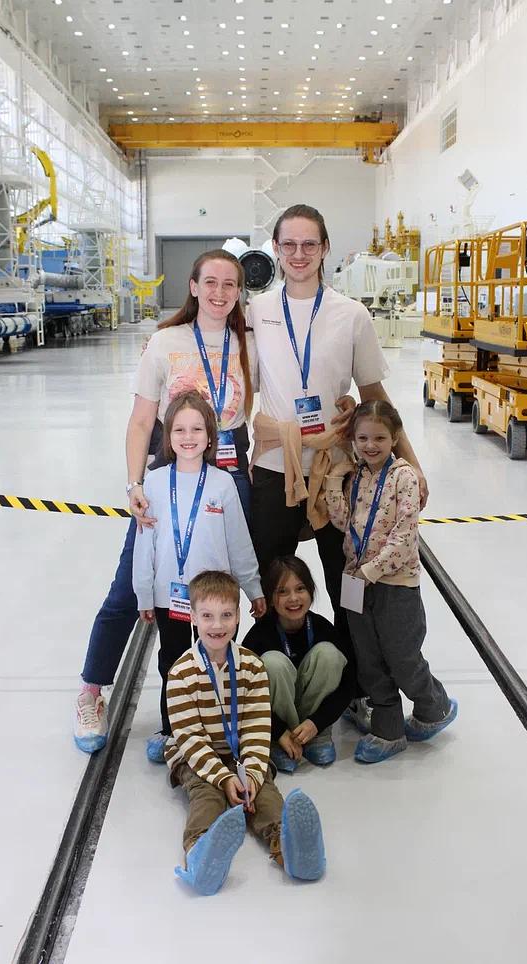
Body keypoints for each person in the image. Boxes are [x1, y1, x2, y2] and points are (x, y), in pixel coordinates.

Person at [74, 249, 256, 755]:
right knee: (129, 588)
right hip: (169, 477)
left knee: (219, 593)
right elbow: (140, 422)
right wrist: (135, 484)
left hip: (228, 474)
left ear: (239, 292)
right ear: (193, 286)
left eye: (230, 284)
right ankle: (91, 691)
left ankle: (213, 702)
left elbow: (263, 405)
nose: (220, 292)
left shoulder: (249, 342)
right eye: (210, 282)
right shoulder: (165, 343)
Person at [247, 203, 428, 643]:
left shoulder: (351, 314)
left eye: (309, 244)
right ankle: (274, 666)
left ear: (325, 248)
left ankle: (353, 668)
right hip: (275, 468)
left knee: (346, 577)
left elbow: (374, 396)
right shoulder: (256, 311)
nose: (299, 254)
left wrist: (412, 464)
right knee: (270, 580)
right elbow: (230, 376)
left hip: (338, 472)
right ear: (276, 249)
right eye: (289, 244)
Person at [166, 570, 326, 896]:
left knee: (264, 793)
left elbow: (256, 725)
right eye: (207, 616)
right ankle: (200, 854)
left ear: (238, 616)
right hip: (197, 756)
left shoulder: (252, 667)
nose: (217, 625)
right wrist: (224, 779)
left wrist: (251, 774)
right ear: (192, 617)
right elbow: (190, 738)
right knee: (207, 796)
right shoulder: (181, 673)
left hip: (241, 753)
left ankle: (291, 849)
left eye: (226, 615)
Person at [132, 391, 265, 762]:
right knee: (173, 663)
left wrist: (253, 587)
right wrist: (144, 594)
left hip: (216, 600)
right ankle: (173, 730)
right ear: (167, 437)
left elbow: (238, 542)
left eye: (196, 429)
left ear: (210, 437)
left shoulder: (222, 483)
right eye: (179, 429)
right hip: (168, 596)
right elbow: (145, 545)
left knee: (219, 662)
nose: (187, 437)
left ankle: (221, 729)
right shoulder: (154, 483)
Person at [325, 399, 457, 764]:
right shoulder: (357, 477)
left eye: (379, 438)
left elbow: (404, 535)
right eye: (363, 438)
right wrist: (334, 479)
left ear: (395, 438)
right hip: (356, 581)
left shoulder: (404, 477)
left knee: (402, 658)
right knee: (368, 661)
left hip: (394, 584)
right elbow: (342, 522)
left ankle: (434, 706)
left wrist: (371, 571)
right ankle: (388, 730)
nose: (370, 445)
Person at [242, 555, 355, 772]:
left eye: (300, 588)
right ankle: (279, 742)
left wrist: (318, 722)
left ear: (311, 591)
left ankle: (317, 737)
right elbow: (245, 694)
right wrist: (277, 731)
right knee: (272, 662)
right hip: (276, 724)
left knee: (329, 654)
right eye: (282, 591)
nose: (293, 598)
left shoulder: (323, 629)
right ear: (271, 598)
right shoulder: (259, 636)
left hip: (314, 721)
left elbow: (348, 685)